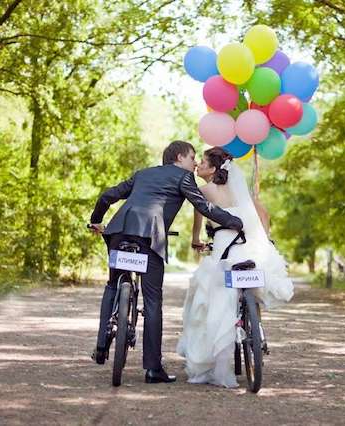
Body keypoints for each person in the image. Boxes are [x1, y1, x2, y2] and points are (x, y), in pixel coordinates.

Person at [88, 141, 243, 384]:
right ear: (180, 157)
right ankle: (152, 369)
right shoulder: (183, 177)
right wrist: (234, 220)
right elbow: (204, 207)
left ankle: (100, 346)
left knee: (112, 284)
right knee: (152, 301)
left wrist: (96, 221)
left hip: (119, 232)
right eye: (192, 157)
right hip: (149, 238)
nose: (194, 163)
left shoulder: (144, 174)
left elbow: (109, 195)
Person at [177, 147, 294, 388]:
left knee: (209, 295)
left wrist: (196, 240)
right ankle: (255, 325)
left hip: (224, 248)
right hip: (250, 247)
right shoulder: (241, 191)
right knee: (251, 282)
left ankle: (214, 358)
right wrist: (265, 239)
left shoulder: (204, 191)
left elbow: (198, 221)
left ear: (212, 168)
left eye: (203, 162)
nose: (198, 165)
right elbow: (265, 215)